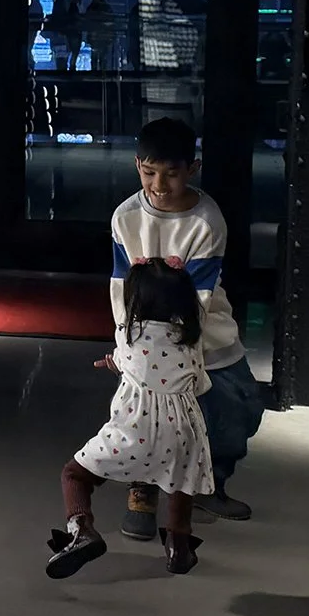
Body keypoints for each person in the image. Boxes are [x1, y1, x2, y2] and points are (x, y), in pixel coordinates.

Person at [107, 116, 263, 537]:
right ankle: (142, 493)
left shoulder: (206, 221)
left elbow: (200, 296)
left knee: (238, 413)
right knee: (144, 420)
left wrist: (181, 353)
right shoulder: (125, 217)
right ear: (137, 165)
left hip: (207, 340)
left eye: (171, 173)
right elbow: (121, 286)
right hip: (145, 343)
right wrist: (128, 345)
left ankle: (208, 485)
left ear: (192, 168)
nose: (158, 185)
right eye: (148, 172)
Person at [46, 260, 213, 577]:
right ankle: (179, 549)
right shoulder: (191, 340)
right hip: (183, 433)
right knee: (181, 482)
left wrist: (117, 367)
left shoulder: (127, 334)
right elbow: (199, 384)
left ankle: (81, 529)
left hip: (134, 430)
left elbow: (129, 366)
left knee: (74, 474)